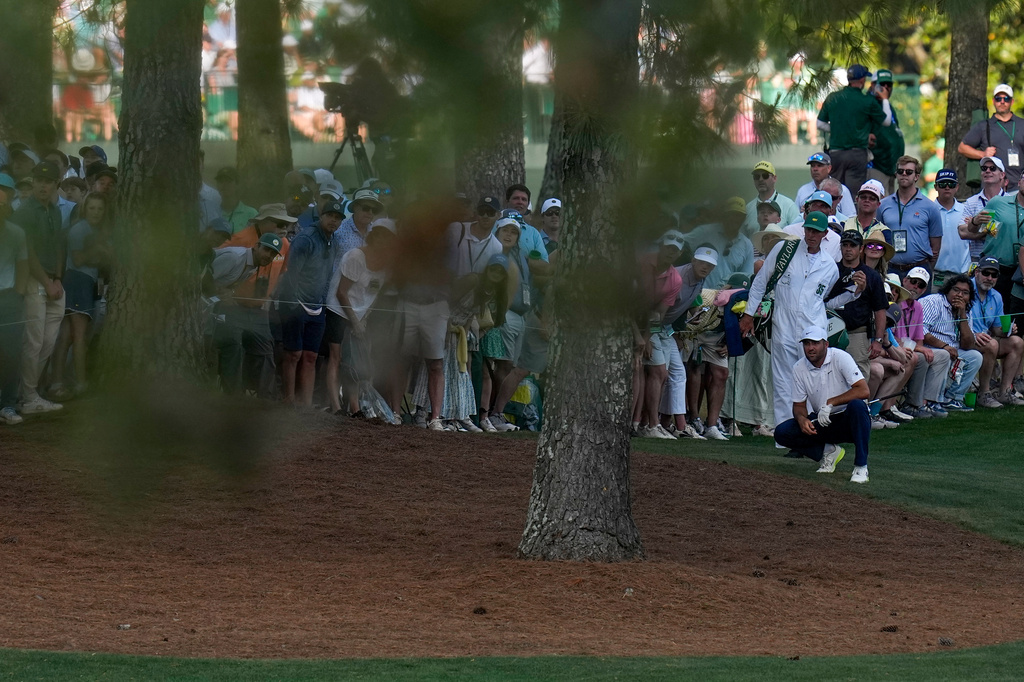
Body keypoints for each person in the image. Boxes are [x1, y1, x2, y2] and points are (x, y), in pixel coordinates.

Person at [741, 211, 840, 429]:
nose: (811, 234)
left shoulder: (830, 266)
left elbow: (823, 298)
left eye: (816, 231)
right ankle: (786, 436)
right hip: (783, 326)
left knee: (814, 381)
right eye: (808, 229)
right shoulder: (784, 250)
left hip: (812, 330)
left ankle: (814, 431)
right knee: (783, 382)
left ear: (825, 234)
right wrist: (749, 314)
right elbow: (760, 282)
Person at [773, 325, 872, 484]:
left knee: (858, 406)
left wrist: (831, 402)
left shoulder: (840, 357)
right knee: (782, 432)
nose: (810, 348)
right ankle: (828, 452)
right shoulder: (799, 368)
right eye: (806, 344)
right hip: (822, 420)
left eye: (815, 343)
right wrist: (801, 420)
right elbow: (798, 405)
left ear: (825, 344)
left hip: (848, 419)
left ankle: (861, 466)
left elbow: (863, 390)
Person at [9, 162, 66, 414]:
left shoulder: (55, 210)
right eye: (39, 181)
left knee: (48, 340)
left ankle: (27, 392)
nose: (43, 185)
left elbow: (58, 246)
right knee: (33, 340)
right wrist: (47, 281)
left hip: (54, 281)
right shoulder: (24, 212)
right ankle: (27, 397)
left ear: (55, 185)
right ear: (33, 182)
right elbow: (26, 253)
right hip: (35, 279)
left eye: (49, 181)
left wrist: (59, 279)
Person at [326, 218, 397, 417]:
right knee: (336, 357)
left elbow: (375, 295)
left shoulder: (386, 266)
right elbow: (341, 292)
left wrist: (363, 318)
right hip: (338, 310)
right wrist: (354, 321)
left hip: (360, 314)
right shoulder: (356, 257)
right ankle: (336, 406)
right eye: (379, 236)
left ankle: (355, 407)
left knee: (354, 361)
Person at [277, 200, 340, 407]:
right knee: (293, 354)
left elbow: (328, 274)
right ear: (321, 215)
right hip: (296, 302)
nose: (334, 220)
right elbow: (291, 272)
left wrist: (322, 302)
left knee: (311, 355)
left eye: (338, 217)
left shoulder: (334, 241)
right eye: (330, 215)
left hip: (317, 305)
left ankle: (306, 405)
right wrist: (293, 302)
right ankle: (289, 400)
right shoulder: (306, 238)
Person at [49, 193, 112, 399]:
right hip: (78, 281)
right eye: (92, 208)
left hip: (85, 280)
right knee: (79, 335)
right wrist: (99, 250)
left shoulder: (95, 230)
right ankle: (81, 383)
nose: (96, 212)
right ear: (85, 209)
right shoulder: (79, 230)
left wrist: (99, 254)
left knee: (67, 335)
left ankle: (57, 382)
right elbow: (77, 259)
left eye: (100, 209)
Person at [208, 232, 283, 399]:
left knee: (234, 343)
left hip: (213, 305)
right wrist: (220, 293)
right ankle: (221, 394)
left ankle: (234, 396)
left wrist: (227, 294)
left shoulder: (253, 266)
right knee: (224, 343)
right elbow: (203, 279)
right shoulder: (235, 257)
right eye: (266, 250)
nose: (268, 256)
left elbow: (225, 286)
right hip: (197, 304)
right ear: (256, 246)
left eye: (273, 254)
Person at [660, 247, 718, 440]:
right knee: (670, 374)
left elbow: (690, 303)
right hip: (657, 327)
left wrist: (696, 314)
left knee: (676, 374)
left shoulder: (700, 279)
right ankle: (665, 423)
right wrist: (676, 332)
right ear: (693, 260)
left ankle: (671, 424)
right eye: (702, 262)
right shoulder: (678, 276)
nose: (705, 267)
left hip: (666, 329)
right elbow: (667, 305)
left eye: (709, 265)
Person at [632, 230, 684, 439]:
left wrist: (646, 338)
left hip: (647, 326)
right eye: (668, 248)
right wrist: (638, 336)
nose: (670, 253)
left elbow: (658, 314)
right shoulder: (641, 264)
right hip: (622, 319)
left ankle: (647, 424)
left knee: (658, 371)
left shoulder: (675, 279)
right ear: (661, 246)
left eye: (675, 251)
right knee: (637, 370)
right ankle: (638, 423)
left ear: (679, 255)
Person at [816, 64, 892, 196]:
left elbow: (820, 124)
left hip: (835, 153)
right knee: (854, 194)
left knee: (833, 191)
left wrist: (839, 130)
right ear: (862, 80)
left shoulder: (833, 97)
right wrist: (885, 100)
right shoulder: (867, 101)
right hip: (857, 155)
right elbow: (886, 121)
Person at [826, 230, 888, 380]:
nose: (848, 249)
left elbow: (880, 310)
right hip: (830, 332)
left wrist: (878, 340)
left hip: (857, 334)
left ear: (861, 249)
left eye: (852, 246)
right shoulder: (830, 270)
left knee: (857, 379)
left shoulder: (872, 276)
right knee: (829, 377)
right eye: (845, 245)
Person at [920, 274, 982, 412]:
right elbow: (921, 330)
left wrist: (962, 315)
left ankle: (952, 399)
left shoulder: (966, 310)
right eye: (956, 290)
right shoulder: (933, 301)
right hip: (930, 348)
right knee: (944, 354)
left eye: (965, 293)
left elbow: (968, 345)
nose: (959, 295)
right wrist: (944, 346)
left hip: (952, 350)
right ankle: (933, 400)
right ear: (948, 290)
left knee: (975, 356)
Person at [895, 267, 952, 419]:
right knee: (921, 357)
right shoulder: (895, 303)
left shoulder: (918, 306)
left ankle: (929, 401)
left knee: (942, 355)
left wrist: (921, 349)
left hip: (910, 348)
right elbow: (897, 339)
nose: (916, 287)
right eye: (913, 282)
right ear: (905, 281)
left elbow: (919, 339)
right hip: (897, 348)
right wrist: (920, 349)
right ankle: (912, 404)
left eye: (920, 285)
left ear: (924, 289)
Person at [878, 155, 943, 281]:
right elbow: (878, 235)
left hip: (919, 268)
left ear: (916, 176)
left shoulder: (930, 207)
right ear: (896, 175)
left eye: (909, 172)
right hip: (890, 269)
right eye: (900, 171)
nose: (904, 174)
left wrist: (927, 267)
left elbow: (935, 247)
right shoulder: (883, 205)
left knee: (919, 302)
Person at [969, 257, 1024, 407]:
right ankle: (984, 393)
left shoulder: (996, 296)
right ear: (977, 272)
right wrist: (973, 334)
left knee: (1017, 342)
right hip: (966, 339)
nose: (990, 278)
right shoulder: (966, 290)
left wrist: (1008, 330)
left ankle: (1005, 391)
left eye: (994, 275)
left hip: (987, 340)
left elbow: (996, 329)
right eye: (986, 273)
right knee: (991, 344)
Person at [958, 84, 1024, 187]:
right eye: (998, 99)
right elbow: (962, 148)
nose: (1002, 102)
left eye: (1006, 98)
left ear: (1012, 101)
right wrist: (983, 154)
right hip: (993, 187)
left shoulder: (1021, 124)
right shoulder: (984, 126)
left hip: (1019, 187)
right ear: (993, 101)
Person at [0, 185, 28, 424]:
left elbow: (22, 265)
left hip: (8, 297)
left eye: (2, 204)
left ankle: (7, 404)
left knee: (11, 353)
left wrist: (18, 294)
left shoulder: (16, 233)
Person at [974, 171, 1024, 306]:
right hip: (995, 269)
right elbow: (976, 230)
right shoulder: (997, 202)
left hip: (1019, 274)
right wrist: (974, 222)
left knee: (1012, 319)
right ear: (1019, 182)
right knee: (988, 311)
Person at [681, 197, 754, 289]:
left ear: (743, 219)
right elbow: (679, 242)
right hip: (697, 293)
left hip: (724, 298)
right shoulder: (705, 232)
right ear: (724, 215)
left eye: (738, 215)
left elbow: (746, 276)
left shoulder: (747, 245)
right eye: (731, 214)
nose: (734, 219)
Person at [960, 157, 1008, 263]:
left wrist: (975, 226)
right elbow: (962, 232)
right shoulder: (971, 201)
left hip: (1004, 260)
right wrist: (992, 231)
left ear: (1002, 175)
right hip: (978, 261)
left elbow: (1011, 234)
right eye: (984, 168)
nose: (987, 171)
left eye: (992, 168)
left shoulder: (1011, 201)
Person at [866, 69, 905, 194]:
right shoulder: (869, 103)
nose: (886, 88)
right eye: (882, 84)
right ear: (873, 85)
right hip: (876, 165)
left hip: (891, 165)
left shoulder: (887, 105)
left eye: (889, 85)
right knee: (877, 200)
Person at [931, 169, 970, 290]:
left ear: (957, 187)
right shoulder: (929, 210)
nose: (947, 187)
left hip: (962, 274)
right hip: (937, 274)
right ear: (935, 187)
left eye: (951, 184)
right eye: (943, 184)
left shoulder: (966, 210)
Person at [740, 161, 800, 237]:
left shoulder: (789, 205)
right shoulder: (748, 209)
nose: (760, 179)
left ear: (774, 178)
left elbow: (798, 233)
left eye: (765, 176)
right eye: (756, 177)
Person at [783, 191, 841, 261]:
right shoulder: (789, 231)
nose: (818, 210)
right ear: (809, 208)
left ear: (831, 211)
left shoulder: (835, 239)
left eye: (823, 206)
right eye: (815, 205)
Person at [215, 167, 258, 234]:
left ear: (237, 184)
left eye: (228, 181)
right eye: (221, 181)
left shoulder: (251, 214)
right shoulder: (211, 212)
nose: (224, 185)